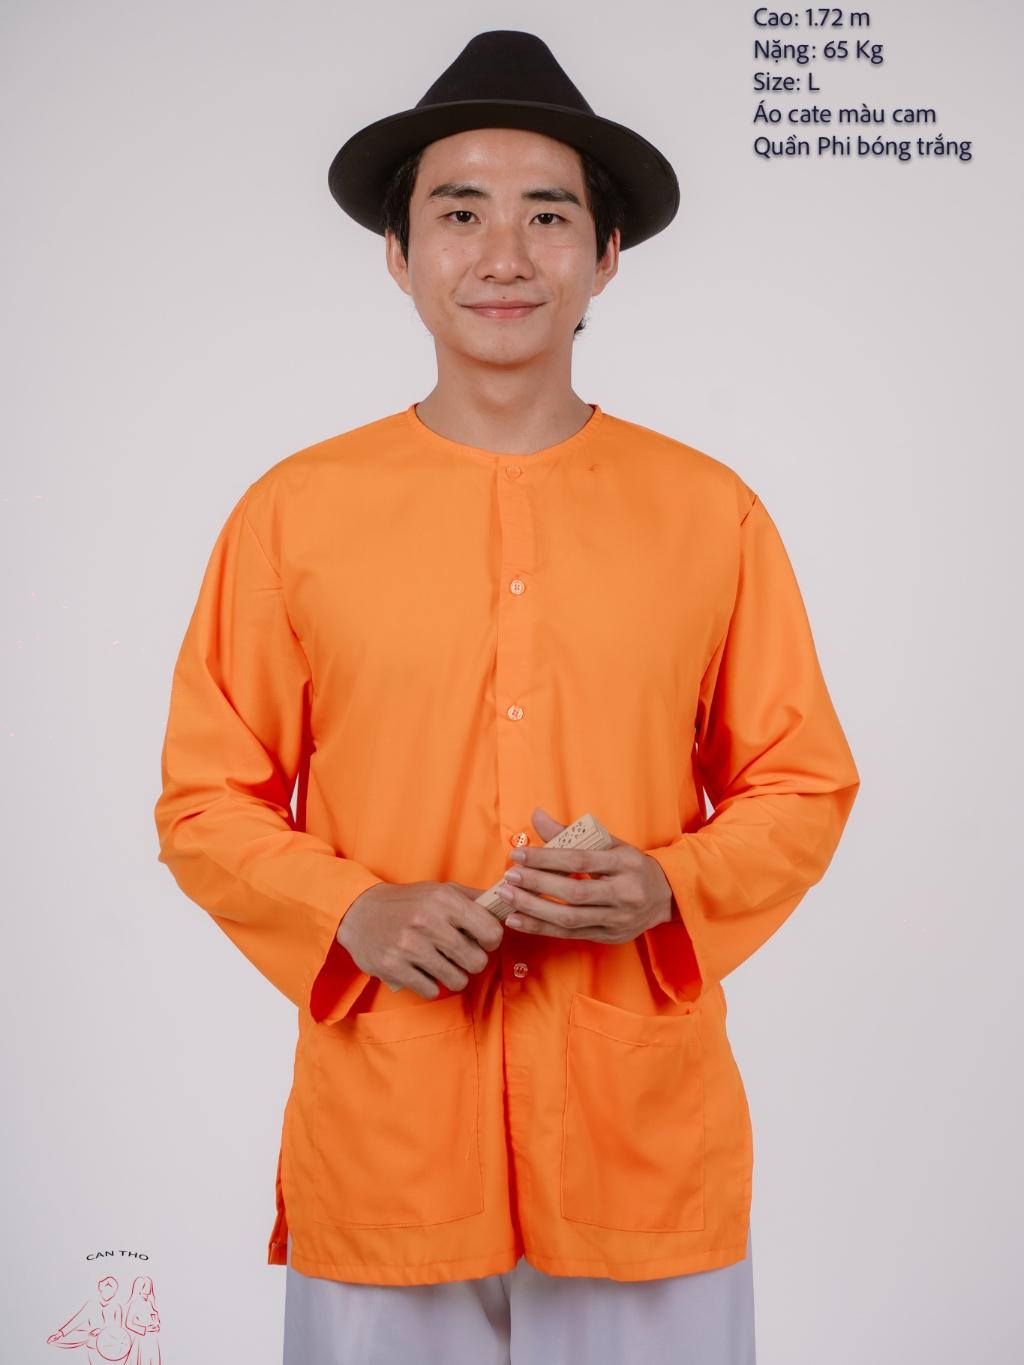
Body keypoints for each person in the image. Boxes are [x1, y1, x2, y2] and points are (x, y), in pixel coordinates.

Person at [153, 28, 860, 1365]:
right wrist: (349, 909)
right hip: (390, 1140)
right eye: (459, 211)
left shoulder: (709, 513)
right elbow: (205, 799)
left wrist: (669, 887)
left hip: (638, 1146)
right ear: (398, 253)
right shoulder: (293, 515)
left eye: (547, 215)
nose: (503, 255)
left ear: (605, 255)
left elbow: (801, 781)